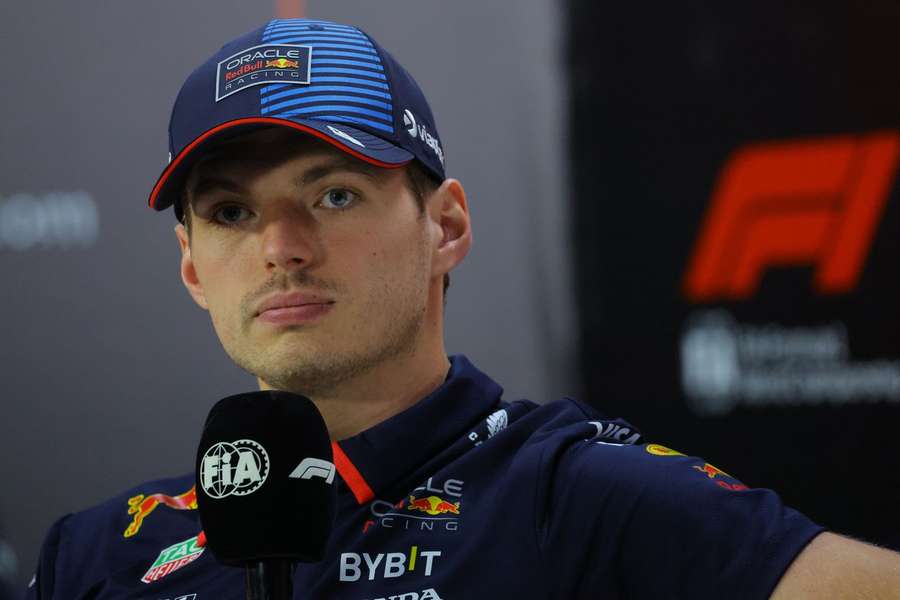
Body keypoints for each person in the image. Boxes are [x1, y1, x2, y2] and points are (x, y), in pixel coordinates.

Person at [26, 17, 900, 600]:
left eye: (331, 196)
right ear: (190, 270)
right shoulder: (100, 553)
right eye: (229, 213)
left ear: (445, 227)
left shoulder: (582, 499)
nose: (280, 246)